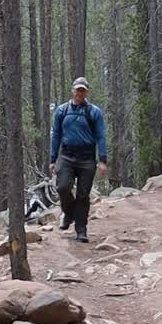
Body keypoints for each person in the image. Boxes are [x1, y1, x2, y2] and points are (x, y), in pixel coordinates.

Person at [50, 76, 108, 243]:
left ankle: (81, 230)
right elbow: (56, 135)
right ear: (72, 91)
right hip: (66, 156)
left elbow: (101, 136)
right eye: (78, 90)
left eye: (83, 90)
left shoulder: (94, 112)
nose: (80, 93)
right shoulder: (62, 111)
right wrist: (53, 159)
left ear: (87, 92)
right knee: (62, 187)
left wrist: (103, 160)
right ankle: (69, 214)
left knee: (83, 195)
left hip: (87, 158)